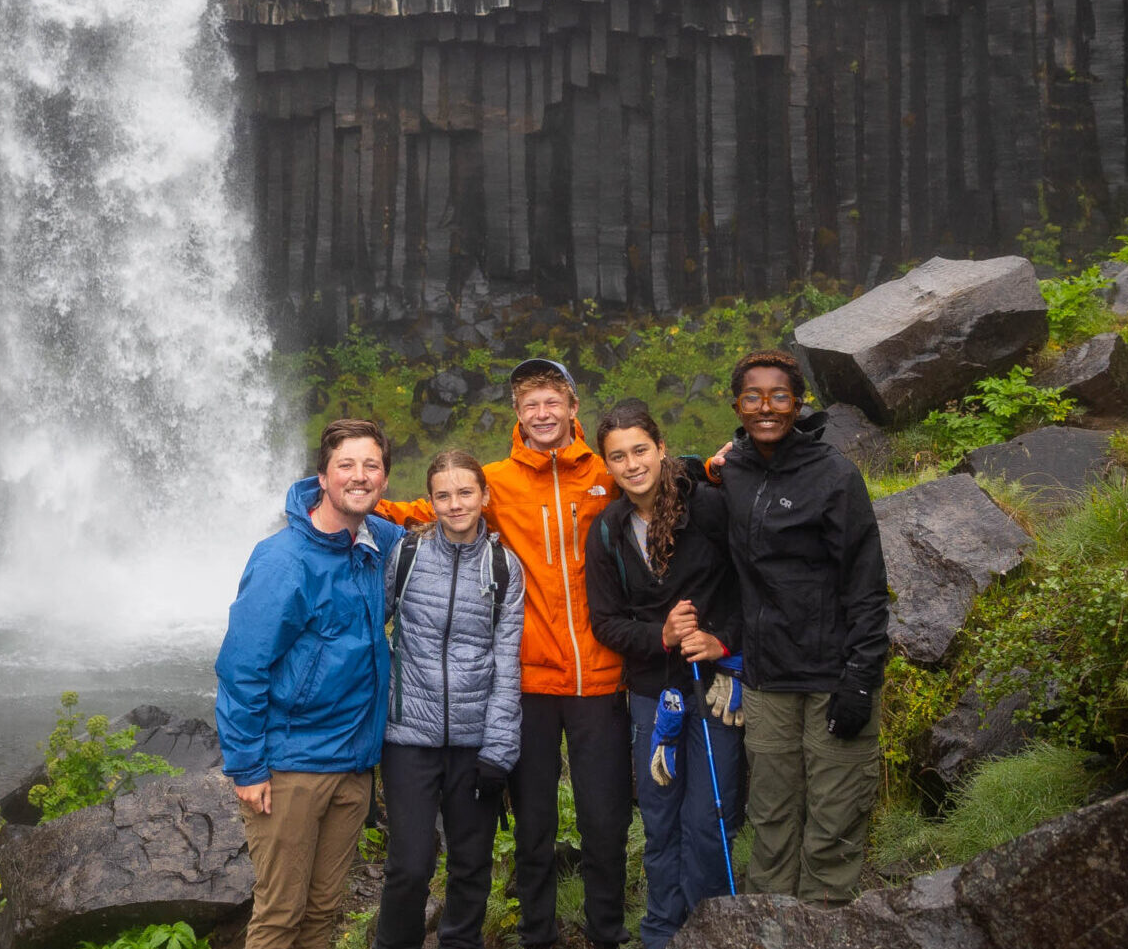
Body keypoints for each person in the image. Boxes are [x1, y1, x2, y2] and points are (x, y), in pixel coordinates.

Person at [376, 358, 633, 948]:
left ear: (572, 406)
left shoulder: (607, 472)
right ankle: (536, 937)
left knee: (604, 823)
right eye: (530, 404)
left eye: (552, 401)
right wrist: (351, 503)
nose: (542, 414)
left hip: (600, 677)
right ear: (518, 415)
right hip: (532, 685)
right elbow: (430, 510)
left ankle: (607, 935)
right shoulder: (496, 481)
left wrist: (715, 469)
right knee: (534, 828)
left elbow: (657, 486)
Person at [216, 418, 408, 949]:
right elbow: (241, 670)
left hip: (352, 765)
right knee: (280, 916)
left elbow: (442, 540)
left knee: (323, 914)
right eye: (346, 465)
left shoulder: (379, 541)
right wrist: (247, 766)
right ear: (322, 477)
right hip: (290, 767)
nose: (359, 475)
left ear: (386, 479)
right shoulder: (283, 559)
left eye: (371, 465)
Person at [711, 350, 889, 906]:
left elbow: (865, 583)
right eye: (753, 397)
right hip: (767, 678)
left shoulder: (833, 476)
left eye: (779, 396)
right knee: (770, 818)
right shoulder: (733, 469)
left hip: (832, 673)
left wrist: (860, 679)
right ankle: (770, 924)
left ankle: (824, 922)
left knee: (834, 818)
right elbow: (681, 478)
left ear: (799, 402)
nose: (766, 407)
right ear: (737, 406)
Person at [584, 399, 748, 947]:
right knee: (659, 821)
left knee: (708, 819)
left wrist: (719, 638)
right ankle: (662, 932)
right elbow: (605, 622)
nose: (631, 465)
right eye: (617, 457)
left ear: (660, 447)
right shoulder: (607, 530)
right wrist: (662, 636)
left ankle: (712, 931)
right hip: (655, 696)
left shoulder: (708, 507)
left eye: (639, 450)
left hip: (717, 687)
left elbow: (753, 581)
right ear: (605, 465)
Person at [375, 450, 525, 949]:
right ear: (431, 501)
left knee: (471, 862)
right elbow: (372, 630)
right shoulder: (407, 556)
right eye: (443, 495)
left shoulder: (504, 567)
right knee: (409, 865)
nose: (455, 504)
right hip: (408, 739)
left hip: (475, 740)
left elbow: (507, 663)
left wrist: (498, 751)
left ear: (485, 496)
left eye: (465, 493)